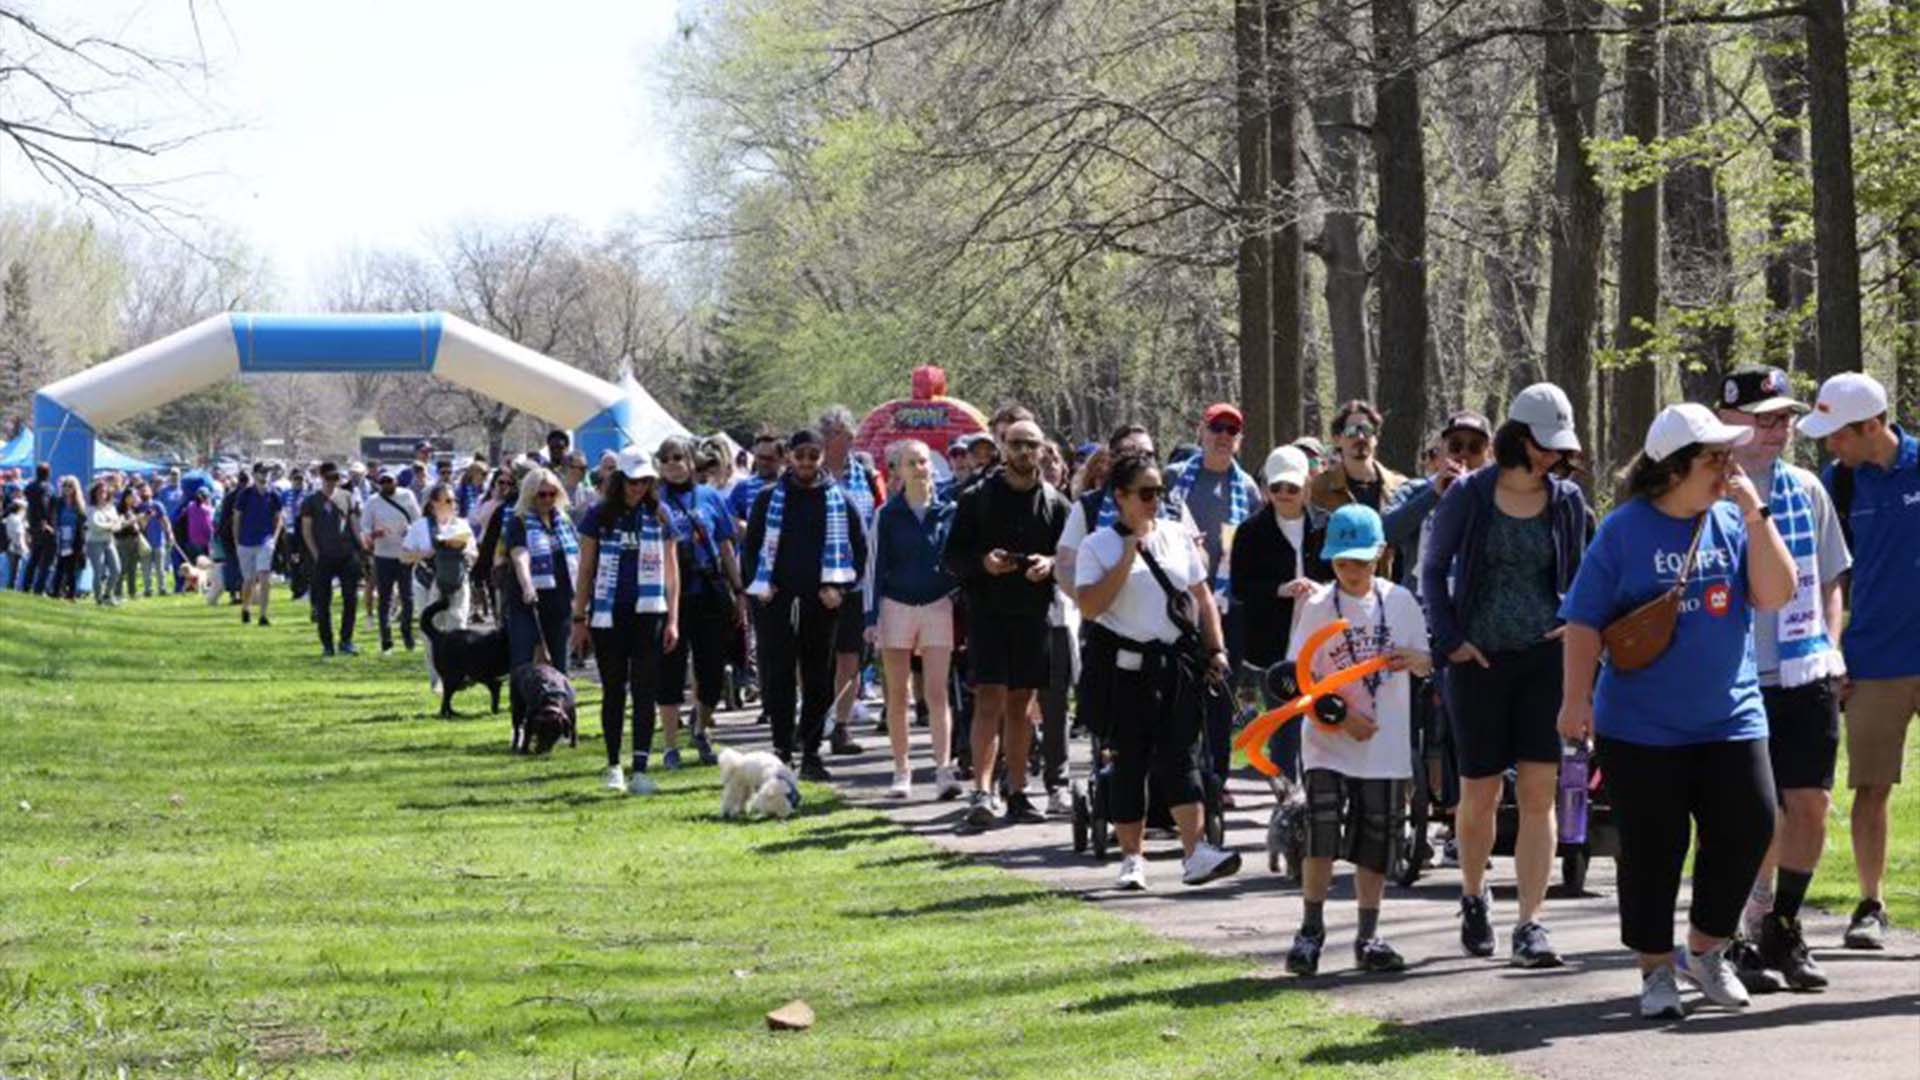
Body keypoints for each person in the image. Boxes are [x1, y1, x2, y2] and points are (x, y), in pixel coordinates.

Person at [1558, 403, 1797, 1020]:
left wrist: (1753, 510)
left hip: (1731, 716)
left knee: (1751, 824)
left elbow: (1775, 593)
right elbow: (1584, 621)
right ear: (1672, 468)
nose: (1728, 467)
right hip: (1641, 728)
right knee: (1653, 849)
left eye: (1727, 456)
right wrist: (1575, 700)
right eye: (1714, 458)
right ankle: (1655, 971)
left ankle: (1705, 950)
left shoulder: (1733, 519)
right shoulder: (1623, 529)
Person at [1421, 384, 1592, 968]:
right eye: (1543, 446)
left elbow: (1587, 573)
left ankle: (1531, 922)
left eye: (1557, 450)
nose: (1551, 458)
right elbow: (1433, 568)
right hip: (1478, 663)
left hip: (1544, 660)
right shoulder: (1470, 495)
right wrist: (1452, 642)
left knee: (1540, 793)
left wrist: (1575, 623)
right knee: (1481, 792)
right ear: (1517, 437)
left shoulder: (1568, 501)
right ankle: (1473, 895)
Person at [1696, 367, 1847, 990]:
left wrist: (1832, 648)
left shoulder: (1807, 488)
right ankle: (1734, 934)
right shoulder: (1703, 491)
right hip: (1735, 680)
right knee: (1750, 819)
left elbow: (1833, 574)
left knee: (1808, 805)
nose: (1777, 429)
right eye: (1764, 417)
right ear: (1727, 420)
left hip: (1805, 669)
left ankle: (1782, 926)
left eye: (1784, 417)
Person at [1076, 451, 1242, 890]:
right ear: (1121, 496)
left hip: (1175, 666)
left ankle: (1196, 854)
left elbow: (1200, 595)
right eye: (1145, 493)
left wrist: (1216, 649)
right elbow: (1090, 606)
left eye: (1158, 492)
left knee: (1183, 759)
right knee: (1129, 761)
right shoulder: (1098, 545)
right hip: (1123, 670)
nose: (1154, 501)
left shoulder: (1174, 535)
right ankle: (1132, 859)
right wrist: (1127, 557)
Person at [1281, 504, 1433, 975]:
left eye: (1361, 562)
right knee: (1321, 833)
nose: (1351, 571)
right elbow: (1299, 678)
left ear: (1381, 557)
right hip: (1329, 741)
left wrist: (1414, 657)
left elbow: (1428, 663)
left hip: (1384, 749)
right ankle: (1311, 929)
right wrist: (1342, 717)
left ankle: (1369, 936)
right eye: (1343, 561)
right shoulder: (1318, 606)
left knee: (1377, 840)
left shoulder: (1400, 602)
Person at [1800, 371, 1918, 951]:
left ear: (1872, 425)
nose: (1830, 446)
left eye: (1838, 434)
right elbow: (1832, 577)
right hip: (1873, 659)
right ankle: (1871, 905)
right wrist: (1833, 648)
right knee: (1870, 787)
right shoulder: (1838, 486)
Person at [944, 418, 1070, 830]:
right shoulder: (976, 497)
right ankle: (981, 792)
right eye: (1016, 444)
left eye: (1031, 445)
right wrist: (984, 564)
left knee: (1021, 705)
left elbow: (1071, 560)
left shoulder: (1055, 503)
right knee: (989, 700)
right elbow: (952, 559)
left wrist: (1049, 565)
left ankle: (1018, 792)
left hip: (1033, 616)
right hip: (987, 613)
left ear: (1042, 449)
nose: (1023, 452)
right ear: (1001, 446)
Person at [742, 428, 870, 780]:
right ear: (789, 457)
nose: (806, 463)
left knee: (819, 678)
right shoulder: (769, 498)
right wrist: (759, 585)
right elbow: (750, 548)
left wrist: (841, 589)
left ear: (822, 456)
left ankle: (811, 750)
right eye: (800, 456)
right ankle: (782, 748)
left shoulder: (839, 500)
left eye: (813, 455)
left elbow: (859, 551)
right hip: (776, 599)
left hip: (822, 600)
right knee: (778, 676)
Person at [571, 447, 680, 793]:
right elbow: (586, 569)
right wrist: (579, 616)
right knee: (614, 689)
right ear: (620, 480)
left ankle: (642, 766)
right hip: (608, 611)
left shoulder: (660, 515)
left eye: (645, 481)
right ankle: (614, 763)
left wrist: (674, 619)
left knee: (645, 689)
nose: (638, 488)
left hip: (650, 612)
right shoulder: (597, 516)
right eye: (632, 481)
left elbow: (672, 574)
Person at [1171, 403, 1264, 803]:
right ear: (1201, 431)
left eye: (1232, 430)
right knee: (1180, 693)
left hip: (1227, 606)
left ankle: (1217, 777)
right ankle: (1180, 776)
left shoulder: (1247, 488)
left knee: (1220, 696)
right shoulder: (1176, 479)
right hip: (1178, 602)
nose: (1224, 436)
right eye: (1217, 428)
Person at [1229, 445, 1332, 784]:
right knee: (1284, 722)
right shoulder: (1251, 531)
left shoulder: (1326, 525)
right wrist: (1279, 589)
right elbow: (1241, 587)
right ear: (1265, 489)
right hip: (1274, 643)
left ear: (1307, 485)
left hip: (1321, 639)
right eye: (1277, 488)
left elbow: (1343, 575)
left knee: (1321, 720)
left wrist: (1320, 589)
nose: (1285, 495)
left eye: (1292, 487)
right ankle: (1288, 796)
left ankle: (1322, 793)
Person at [867, 438, 962, 800]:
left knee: (937, 693)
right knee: (897, 693)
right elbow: (874, 566)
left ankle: (943, 769)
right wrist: (870, 616)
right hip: (896, 605)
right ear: (898, 471)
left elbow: (956, 560)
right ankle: (901, 769)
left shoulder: (948, 510)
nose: (919, 468)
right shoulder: (887, 515)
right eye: (911, 463)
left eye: (923, 462)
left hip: (937, 604)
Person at [655, 434, 744, 769]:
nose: (673, 466)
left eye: (678, 458)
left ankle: (701, 728)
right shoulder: (653, 499)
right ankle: (669, 746)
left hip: (707, 592)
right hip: (668, 598)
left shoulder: (710, 497)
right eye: (666, 460)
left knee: (711, 671)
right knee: (670, 670)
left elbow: (725, 547)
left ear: (692, 461)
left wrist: (738, 591)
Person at [819, 405, 882, 756]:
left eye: (849, 435)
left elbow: (876, 523)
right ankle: (813, 718)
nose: (848, 442)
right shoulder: (812, 477)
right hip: (820, 582)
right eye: (842, 435)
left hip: (857, 583)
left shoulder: (865, 476)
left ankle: (841, 727)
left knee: (850, 657)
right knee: (814, 658)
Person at [1384, 409, 1492, 597]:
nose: (1464, 454)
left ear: (1488, 454)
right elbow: (1384, 533)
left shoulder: (1498, 496)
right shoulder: (1415, 490)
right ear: (1442, 449)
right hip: (1420, 607)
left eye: (1474, 447)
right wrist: (1433, 494)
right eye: (1456, 446)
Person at [1309, 401, 1410, 575]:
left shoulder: (1401, 487)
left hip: (1389, 594)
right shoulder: (1318, 489)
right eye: (1352, 431)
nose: (1360, 437)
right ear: (1337, 439)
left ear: (1376, 438)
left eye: (1367, 430)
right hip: (1339, 590)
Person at [401, 482, 479, 693]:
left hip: (456, 581)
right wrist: (424, 554)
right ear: (434, 504)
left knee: (457, 626)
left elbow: (474, 553)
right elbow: (404, 556)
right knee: (431, 630)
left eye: (454, 500)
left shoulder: (462, 525)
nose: (453, 504)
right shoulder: (420, 527)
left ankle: (458, 675)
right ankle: (437, 679)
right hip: (426, 582)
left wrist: (463, 555)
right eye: (448, 500)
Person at [505, 467, 579, 672]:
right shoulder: (518, 521)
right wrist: (527, 585)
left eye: (552, 494)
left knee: (559, 661)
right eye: (541, 494)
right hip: (528, 602)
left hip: (560, 601)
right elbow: (520, 556)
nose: (547, 499)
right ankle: (521, 703)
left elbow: (576, 557)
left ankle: (560, 703)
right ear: (530, 495)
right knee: (524, 662)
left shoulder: (564, 522)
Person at [301, 463, 365, 657]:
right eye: (328, 478)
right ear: (321, 478)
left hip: (346, 555)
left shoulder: (346, 497)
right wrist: (316, 554)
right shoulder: (311, 501)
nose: (332, 482)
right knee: (323, 602)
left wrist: (362, 548)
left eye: (336, 478)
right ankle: (327, 643)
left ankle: (346, 640)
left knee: (350, 599)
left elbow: (354, 525)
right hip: (323, 557)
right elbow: (307, 530)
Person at [364, 471, 422, 653]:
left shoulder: (407, 496)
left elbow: (418, 520)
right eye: (383, 482)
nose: (387, 485)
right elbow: (365, 528)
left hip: (404, 554)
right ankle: (386, 641)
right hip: (383, 555)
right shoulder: (372, 501)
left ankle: (407, 637)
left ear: (396, 481)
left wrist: (410, 531)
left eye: (390, 481)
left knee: (408, 597)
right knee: (385, 598)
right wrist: (374, 534)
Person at [232, 463, 281, 626]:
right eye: (261, 472)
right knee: (249, 580)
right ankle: (245, 608)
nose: (265, 475)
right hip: (246, 542)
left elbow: (279, 517)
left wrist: (274, 537)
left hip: (265, 541)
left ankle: (263, 615)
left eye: (267, 472)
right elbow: (237, 518)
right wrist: (237, 539)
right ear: (254, 475)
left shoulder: (274, 495)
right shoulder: (244, 495)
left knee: (264, 577)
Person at [84, 480, 123, 606]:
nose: (102, 494)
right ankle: (98, 598)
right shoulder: (90, 509)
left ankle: (107, 594)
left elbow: (118, 525)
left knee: (116, 569)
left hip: (108, 541)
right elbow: (95, 525)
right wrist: (110, 525)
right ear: (94, 493)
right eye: (100, 491)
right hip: (94, 542)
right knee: (99, 570)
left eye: (105, 491)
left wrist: (113, 525)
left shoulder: (111, 508)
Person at [22, 462, 55, 595]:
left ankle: (26, 585)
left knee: (33, 557)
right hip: (43, 525)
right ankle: (38, 588)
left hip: (32, 523)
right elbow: (44, 504)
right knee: (45, 559)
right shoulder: (46, 487)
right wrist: (45, 521)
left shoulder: (30, 486)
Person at [278, 466, 310, 601]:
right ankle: (296, 589)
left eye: (300, 480)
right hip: (291, 533)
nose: (298, 482)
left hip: (305, 533)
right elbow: (282, 513)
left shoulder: (309, 495)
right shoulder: (285, 495)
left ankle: (305, 588)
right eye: (296, 479)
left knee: (305, 561)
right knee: (293, 561)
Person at [50, 476, 84, 601]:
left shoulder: (79, 505)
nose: (67, 489)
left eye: (70, 486)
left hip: (75, 539)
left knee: (71, 568)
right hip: (61, 537)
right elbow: (54, 518)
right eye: (65, 485)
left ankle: (71, 594)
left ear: (75, 488)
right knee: (60, 566)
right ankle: (56, 592)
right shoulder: (59, 502)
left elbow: (82, 523)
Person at [111, 488, 143, 601]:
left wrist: (142, 519)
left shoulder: (133, 509)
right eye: (133, 496)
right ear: (126, 497)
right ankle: (118, 592)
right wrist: (134, 520)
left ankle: (132, 592)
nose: (135, 498)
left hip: (134, 540)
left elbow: (140, 526)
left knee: (133, 568)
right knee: (122, 567)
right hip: (123, 541)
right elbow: (119, 526)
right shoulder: (120, 510)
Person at [3, 496, 24, 590]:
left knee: (11, 569)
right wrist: (22, 547)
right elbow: (17, 534)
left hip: (9, 546)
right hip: (15, 547)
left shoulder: (8, 518)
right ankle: (11, 587)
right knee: (14, 570)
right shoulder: (16, 519)